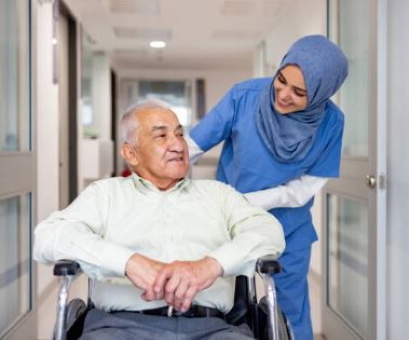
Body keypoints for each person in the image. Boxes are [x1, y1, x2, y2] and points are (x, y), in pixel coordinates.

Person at [33, 100, 285, 340]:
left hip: (213, 329)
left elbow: (269, 231)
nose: (177, 145)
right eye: (161, 136)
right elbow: (47, 238)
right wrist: (128, 262)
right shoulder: (105, 195)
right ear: (130, 153)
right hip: (117, 329)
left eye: (179, 134)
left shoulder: (219, 195)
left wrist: (210, 266)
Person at [188, 35, 348, 339]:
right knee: (221, 303)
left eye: (299, 92)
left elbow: (303, 189)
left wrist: (247, 200)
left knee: (289, 312)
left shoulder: (332, 123)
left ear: (320, 94)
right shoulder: (244, 97)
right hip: (228, 223)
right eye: (281, 79)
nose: (284, 94)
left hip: (288, 227)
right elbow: (193, 146)